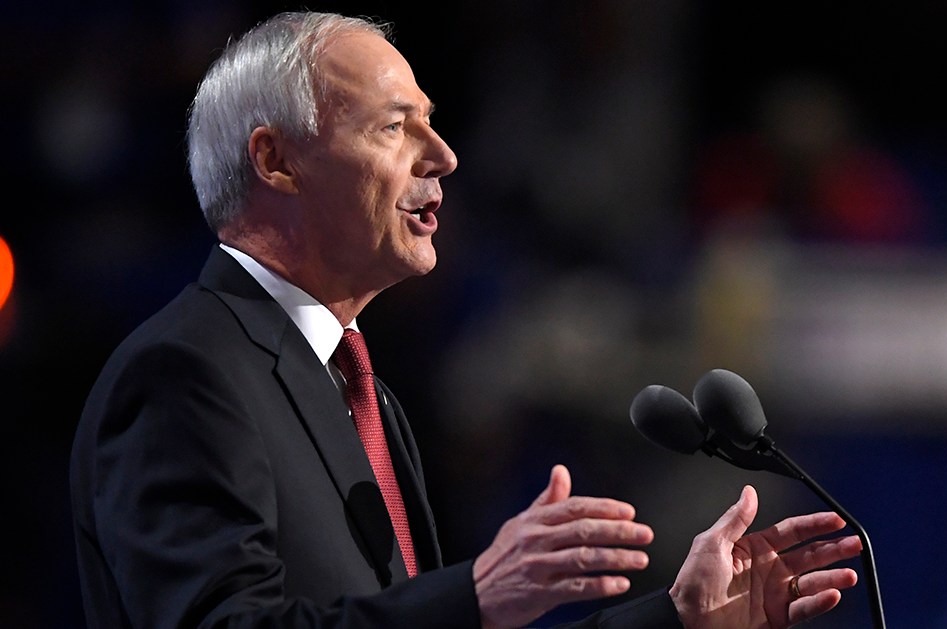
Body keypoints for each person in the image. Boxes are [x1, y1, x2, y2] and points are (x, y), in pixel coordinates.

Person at [69, 11, 862, 629]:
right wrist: (475, 593)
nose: (443, 155)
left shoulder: (366, 398)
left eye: (431, 122)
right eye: (394, 127)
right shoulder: (185, 373)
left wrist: (679, 617)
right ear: (276, 161)